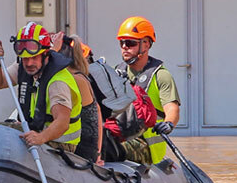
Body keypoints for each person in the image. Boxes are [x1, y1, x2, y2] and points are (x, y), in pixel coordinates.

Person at [0, 22, 81, 152]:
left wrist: (40, 138)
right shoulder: (24, 68)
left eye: (34, 57)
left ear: (45, 54)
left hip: (59, 144)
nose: (29, 63)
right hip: (36, 131)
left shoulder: (58, 81)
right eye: (25, 58)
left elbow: (62, 122)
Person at [116, 16, 181, 165]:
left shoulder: (160, 76)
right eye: (122, 43)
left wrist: (169, 124)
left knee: (108, 147)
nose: (125, 47)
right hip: (123, 136)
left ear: (146, 44)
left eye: (130, 43)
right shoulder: (117, 72)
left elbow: (172, 109)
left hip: (146, 146)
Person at [51, 32, 100, 162]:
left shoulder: (74, 79)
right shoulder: (78, 76)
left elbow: (96, 114)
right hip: (82, 145)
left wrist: (96, 155)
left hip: (81, 148)